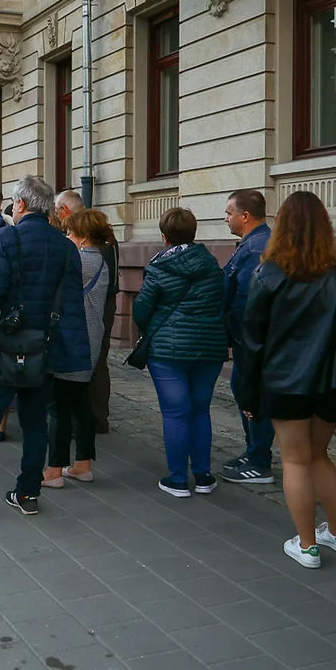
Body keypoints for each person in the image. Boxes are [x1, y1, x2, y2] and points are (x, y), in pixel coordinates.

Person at [0, 176, 90, 520]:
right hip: (45, 348)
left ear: (20, 205)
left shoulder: (6, 238)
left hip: (3, 347)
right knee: (36, 423)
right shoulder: (65, 245)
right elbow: (72, 306)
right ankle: (27, 493)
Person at [238, 191, 336, 569]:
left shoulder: (269, 273)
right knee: (319, 455)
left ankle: (307, 545)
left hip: (285, 380)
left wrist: (249, 392)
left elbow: (252, 340)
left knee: (295, 460)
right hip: (334, 380)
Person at [132, 208, 228, 499]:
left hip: (168, 350)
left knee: (175, 413)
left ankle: (177, 479)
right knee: (200, 410)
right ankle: (203, 476)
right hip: (209, 347)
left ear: (164, 236)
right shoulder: (213, 265)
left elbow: (141, 310)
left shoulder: (160, 266)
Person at [42, 210, 110, 488]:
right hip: (90, 340)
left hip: (72, 341)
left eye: (70, 233)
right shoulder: (102, 261)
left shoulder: (80, 260)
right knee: (81, 405)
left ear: (82, 237)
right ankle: (82, 464)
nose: (67, 237)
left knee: (58, 407)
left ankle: (54, 470)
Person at [221, 189, 275, 485]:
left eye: (229, 213)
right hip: (247, 339)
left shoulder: (258, 247)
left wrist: (237, 334)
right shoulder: (253, 243)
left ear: (245, 215)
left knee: (251, 394)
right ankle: (253, 451)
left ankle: (259, 459)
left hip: (251, 340)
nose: (226, 218)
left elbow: (248, 300)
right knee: (244, 390)